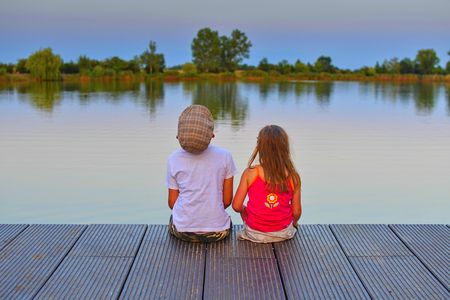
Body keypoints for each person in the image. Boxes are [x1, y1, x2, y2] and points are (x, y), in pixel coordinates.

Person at [166, 104, 236, 242]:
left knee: (173, 218)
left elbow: (172, 203)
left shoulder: (173, 158)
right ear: (211, 134)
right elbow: (227, 200)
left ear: (179, 135)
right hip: (218, 232)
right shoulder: (225, 156)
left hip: (183, 231)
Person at [232, 125, 301, 243]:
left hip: (254, 233)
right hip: (284, 233)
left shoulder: (250, 173)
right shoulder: (293, 176)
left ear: (260, 147)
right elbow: (296, 212)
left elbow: (237, 206)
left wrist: (245, 212)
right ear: (285, 148)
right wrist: (294, 223)